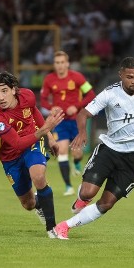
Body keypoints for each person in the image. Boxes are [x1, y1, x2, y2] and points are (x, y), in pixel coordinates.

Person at [53, 57, 134, 240]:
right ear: (121, 75)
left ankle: (64, 226)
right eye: (129, 77)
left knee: (106, 203)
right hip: (109, 150)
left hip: (133, 159)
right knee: (88, 192)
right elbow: (83, 114)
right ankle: (81, 199)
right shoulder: (110, 94)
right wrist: (82, 133)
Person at [0, 71, 65, 238]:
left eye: (4, 90)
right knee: (28, 204)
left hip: (32, 144)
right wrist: (45, 130)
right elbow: (17, 143)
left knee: (38, 176)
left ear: (14, 90)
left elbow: (34, 111)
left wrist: (49, 137)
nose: (0, 97)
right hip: (10, 157)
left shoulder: (27, 95)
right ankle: (39, 203)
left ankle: (52, 229)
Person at [39, 50, 96, 196]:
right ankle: (68, 186)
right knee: (62, 150)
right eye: (57, 63)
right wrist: (51, 107)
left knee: (77, 153)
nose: (60, 65)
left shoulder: (77, 77)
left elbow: (90, 94)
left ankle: (77, 162)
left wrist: (76, 106)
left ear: (67, 63)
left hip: (77, 120)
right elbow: (44, 100)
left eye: (62, 62)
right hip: (60, 121)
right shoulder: (49, 79)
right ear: (54, 64)